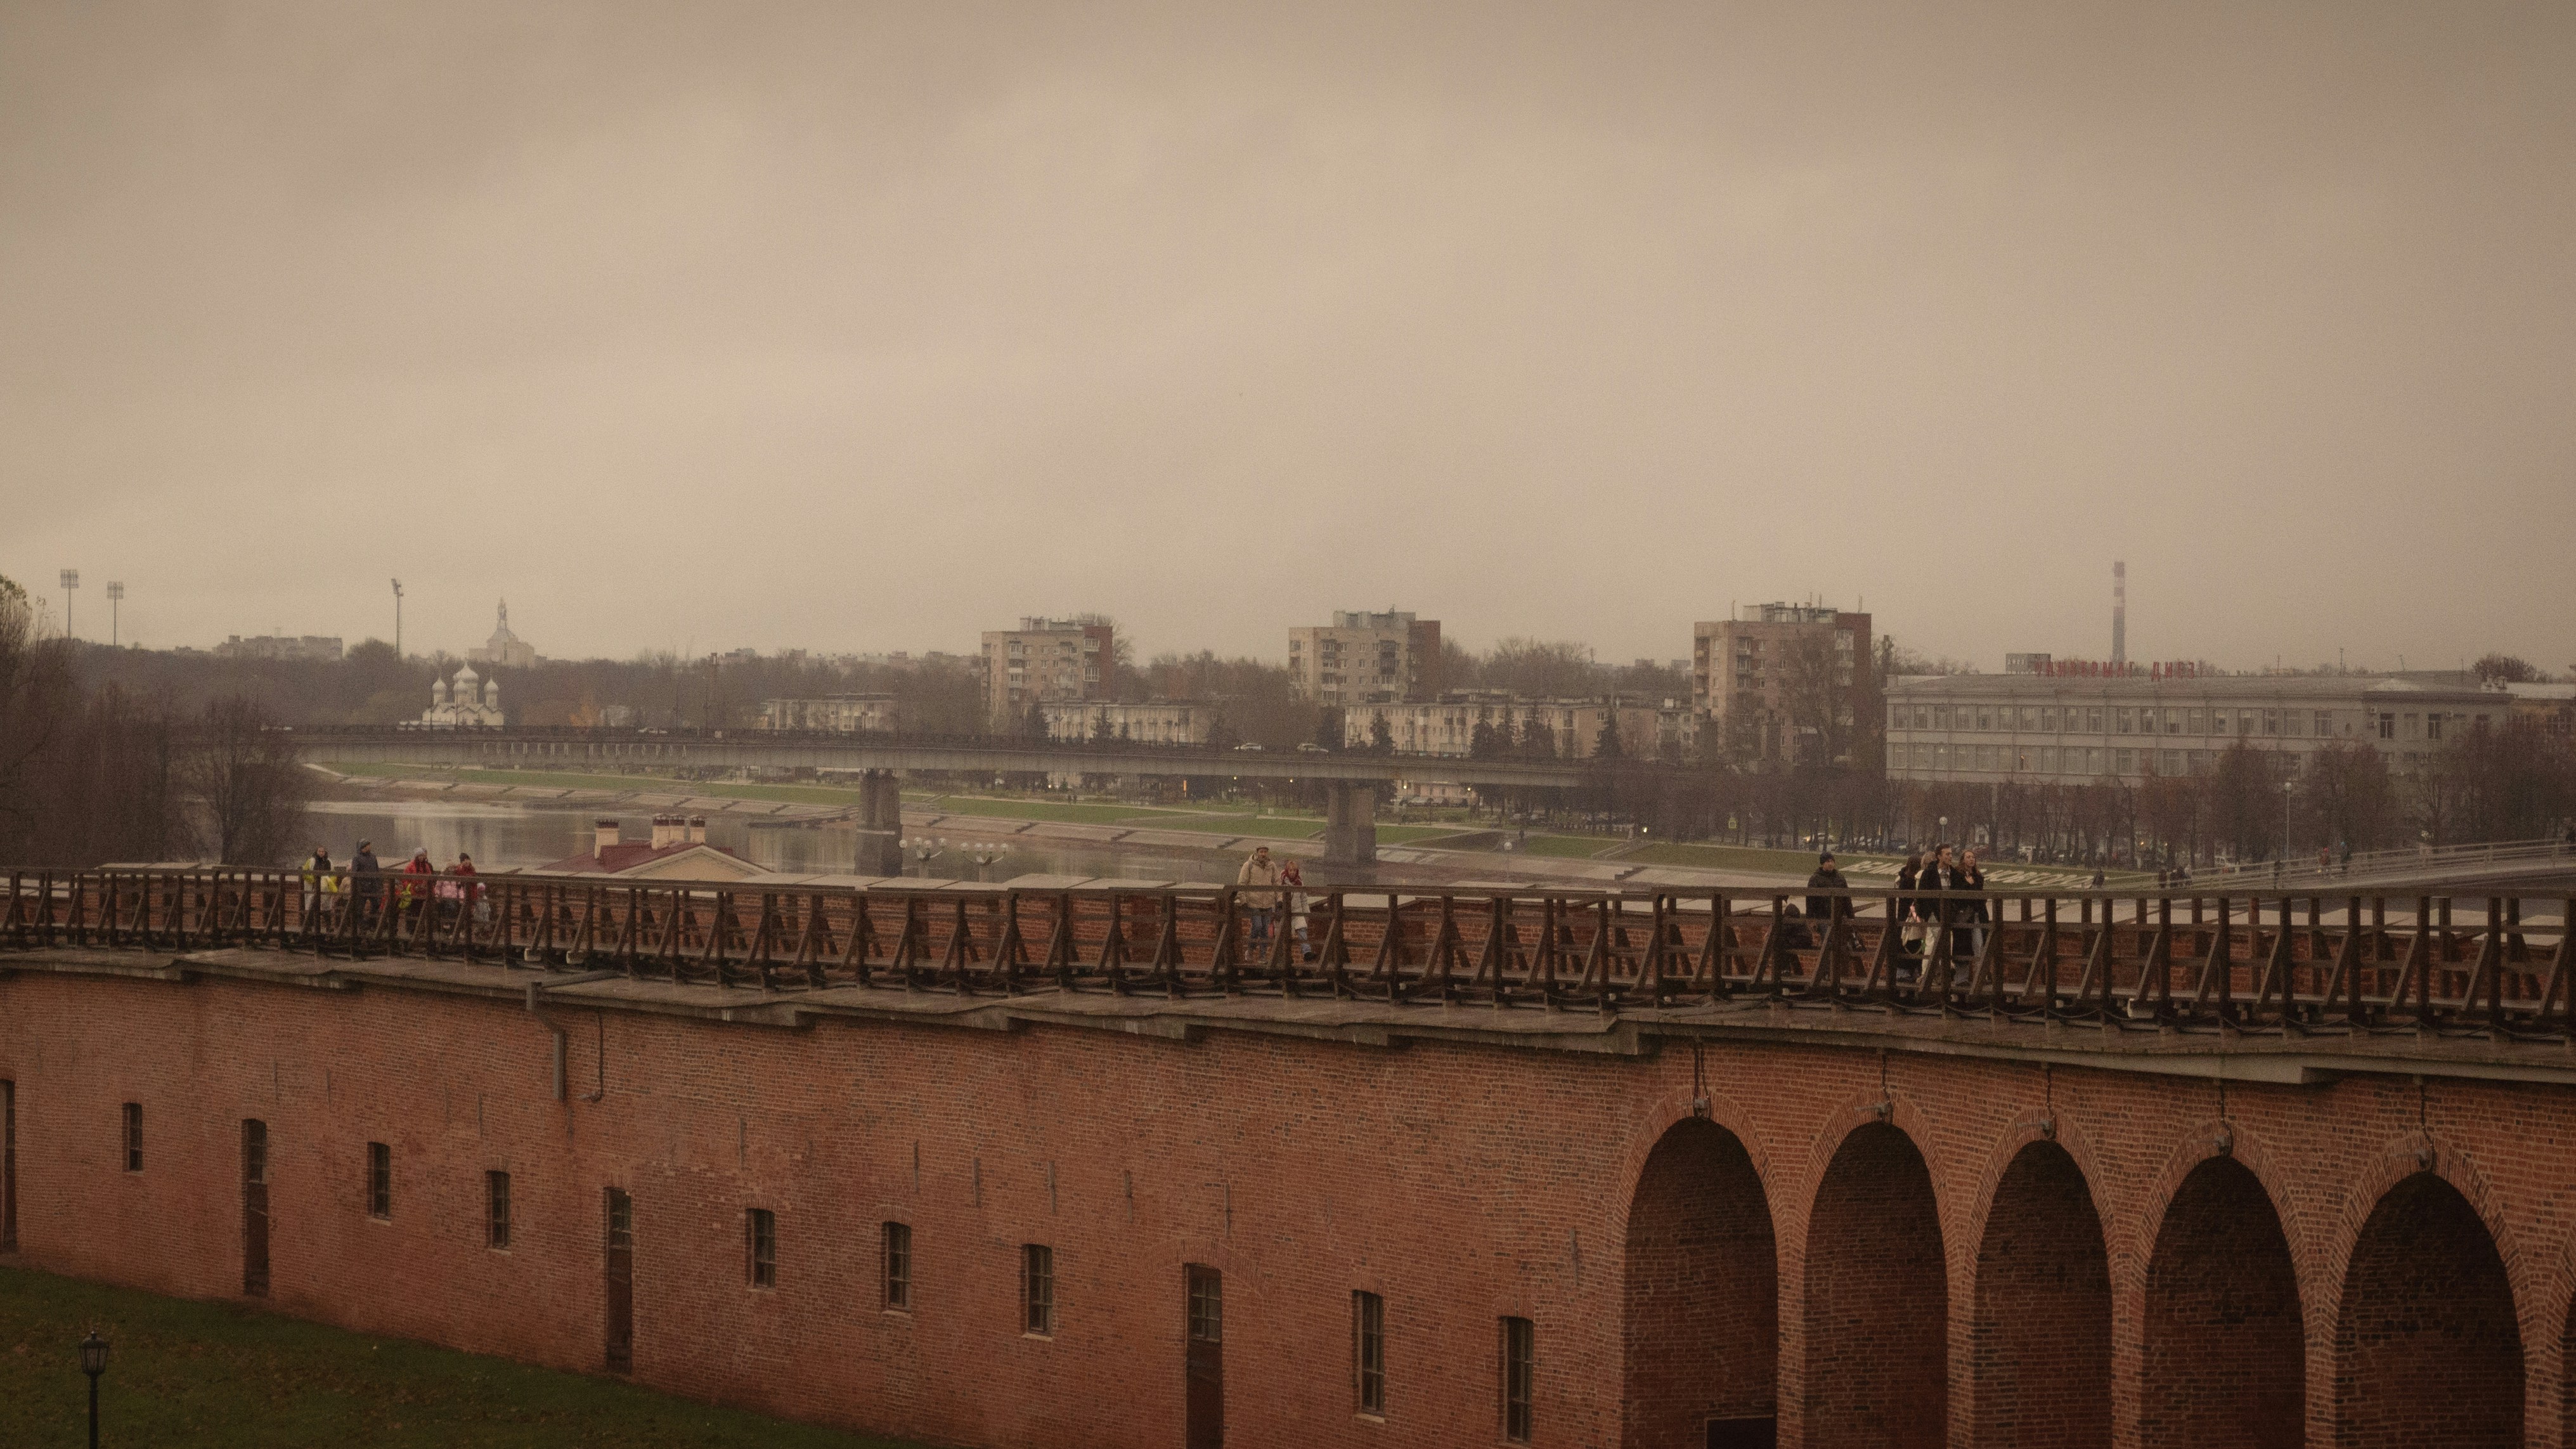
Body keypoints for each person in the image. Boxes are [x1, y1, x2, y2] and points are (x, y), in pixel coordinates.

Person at [1236, 845, 1284, 958]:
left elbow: (1277, 883)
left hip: (1268, 902)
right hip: (1254, 902)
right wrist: (1243, 900)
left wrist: (1280, 898)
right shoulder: (1249, 865)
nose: (1263, 854)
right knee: (1257, 926)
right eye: (1261, 852)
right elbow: (1242, 883)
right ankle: (1251, 949)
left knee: (1265, 931)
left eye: (1265, 852)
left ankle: (1263, 956)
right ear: (1257, 853)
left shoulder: (1272, 866)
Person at [1894, 852, 1925, 978]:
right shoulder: (1912, 881)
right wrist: (1916, 916)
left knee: (1904, 941)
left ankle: (1903, 972)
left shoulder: (1902, 878)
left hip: (1902, 915)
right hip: (1912, 914)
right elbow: (1913, 902)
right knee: (1914, 942)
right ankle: (1913, 970)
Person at [1279, 858, 1312, 962]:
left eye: (1294, 870)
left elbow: (1304, 899)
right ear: (1287, 871)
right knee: (1283, 934)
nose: (1292, 872)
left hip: (1297, 910)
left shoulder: (1300, 883)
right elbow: (1277, 895)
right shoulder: (1282, 881)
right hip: (1285, 911)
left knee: (1302, 929)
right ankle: (1285, 957)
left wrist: (1307, 914)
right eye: (1290, 870)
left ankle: (1307, 953)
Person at [352, 840, 383, 929]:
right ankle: (362, 925)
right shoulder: (357, 858)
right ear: (364, 847)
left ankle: (371, 923)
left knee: (376, 905)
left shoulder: (373, 857)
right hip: (362, 886)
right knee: (359, 908)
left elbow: (377, 871)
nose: (370, 847)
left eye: (369, 845)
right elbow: (354, 873)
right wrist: (358, 885)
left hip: (373, 886)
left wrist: (379, 884)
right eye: (368, 845)